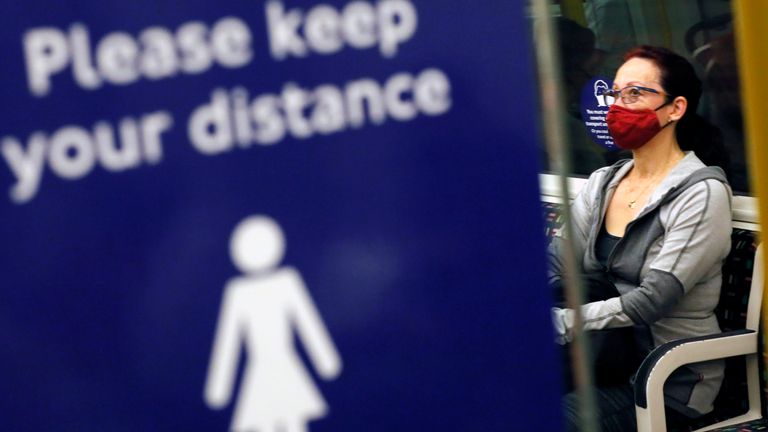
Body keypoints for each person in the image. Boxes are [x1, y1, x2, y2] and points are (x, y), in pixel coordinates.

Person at [548, 45, 732, 431]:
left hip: (663, 380)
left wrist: (567, 321)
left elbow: (654, 299)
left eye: (635, 93)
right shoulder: (603, 183)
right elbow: (555, 263)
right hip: (596, 361)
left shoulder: (702, 193)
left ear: (675, 108)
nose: (617, 105)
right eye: (615, 93)